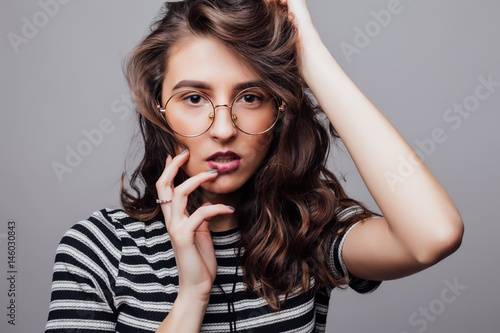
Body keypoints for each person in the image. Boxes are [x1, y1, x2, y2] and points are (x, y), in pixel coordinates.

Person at [45, 0, 464, 332]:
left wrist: (310, 53)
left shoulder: (308, 230)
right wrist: (193, 294)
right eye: (194, 98)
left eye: (250, 97)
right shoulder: (99, 250)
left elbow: (434, 234)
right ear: (160, 109)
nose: (224, 129)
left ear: (279, 108)